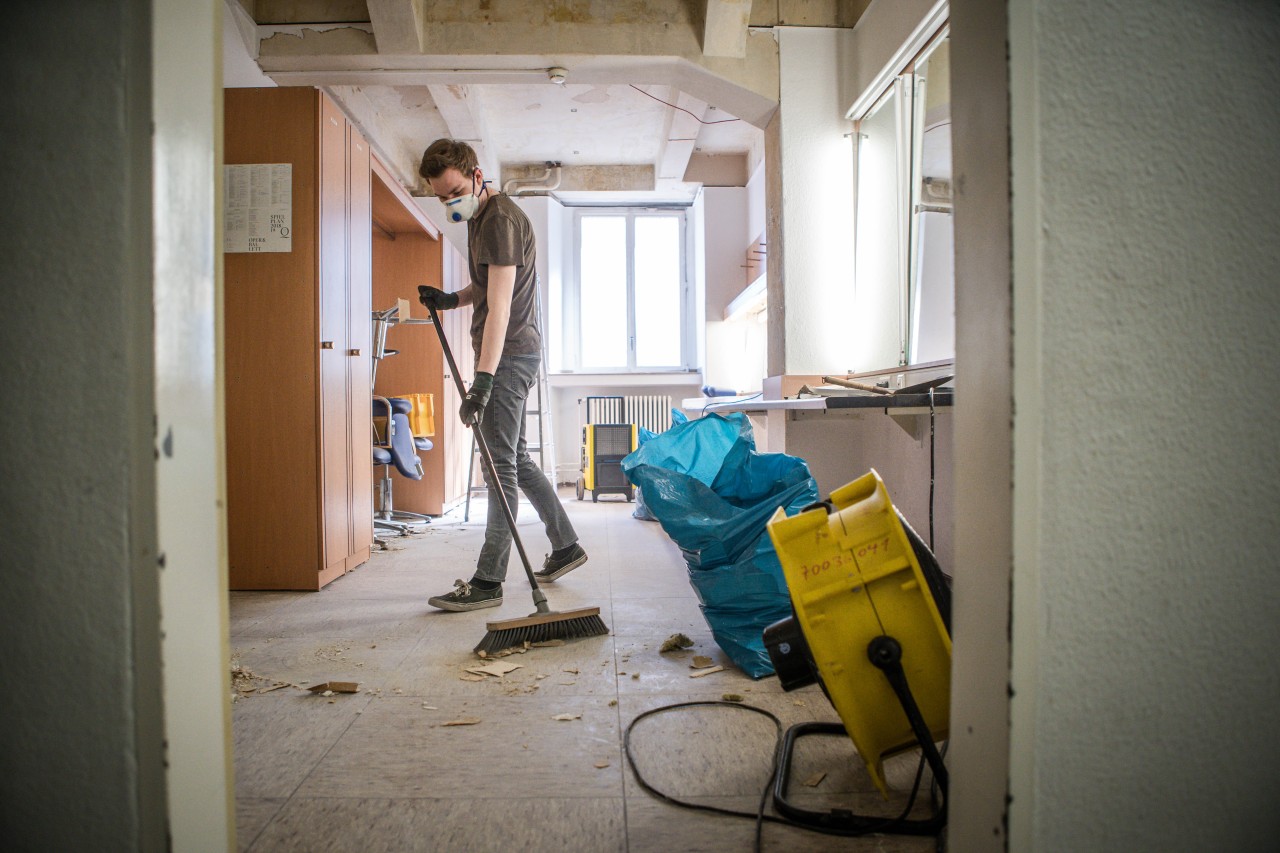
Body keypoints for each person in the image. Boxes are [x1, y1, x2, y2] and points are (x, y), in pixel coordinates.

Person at [416, 139, 587, 612]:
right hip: (509, 353)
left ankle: (488, 581)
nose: (449, 201)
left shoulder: (501, 221)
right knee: (518, 459)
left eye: (453, 191)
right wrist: (453, 299)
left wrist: (483, 380)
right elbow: (487, 286)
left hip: (507, 355)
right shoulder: (482, 220)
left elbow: (501, 307)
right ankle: (567, 544)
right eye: (440, 196)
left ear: (475, 175)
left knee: (498, 470)